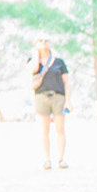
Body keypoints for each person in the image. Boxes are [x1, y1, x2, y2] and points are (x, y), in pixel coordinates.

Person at [29, 39, 71, 170]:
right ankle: (47, 160)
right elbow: (33, 70)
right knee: (44, 129)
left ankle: (61, 159)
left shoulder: (59, 62)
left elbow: (67, 82)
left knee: (60, 128)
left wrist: (68, 101)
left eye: (46, 40)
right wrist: (36, 54)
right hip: (41, 96)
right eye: (40, 40)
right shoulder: (33, 61)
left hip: (58, 96)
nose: (43, 42)